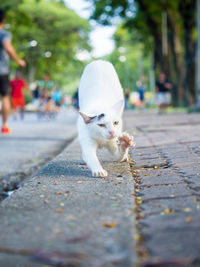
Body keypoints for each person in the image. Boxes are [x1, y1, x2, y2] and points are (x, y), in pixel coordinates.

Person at [0, 9, 26, 134]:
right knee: (5, 98)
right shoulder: (4, 34)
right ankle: (4, 126)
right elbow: (7, 47)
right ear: (3, 20)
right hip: (2, 70)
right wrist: (18, 60)